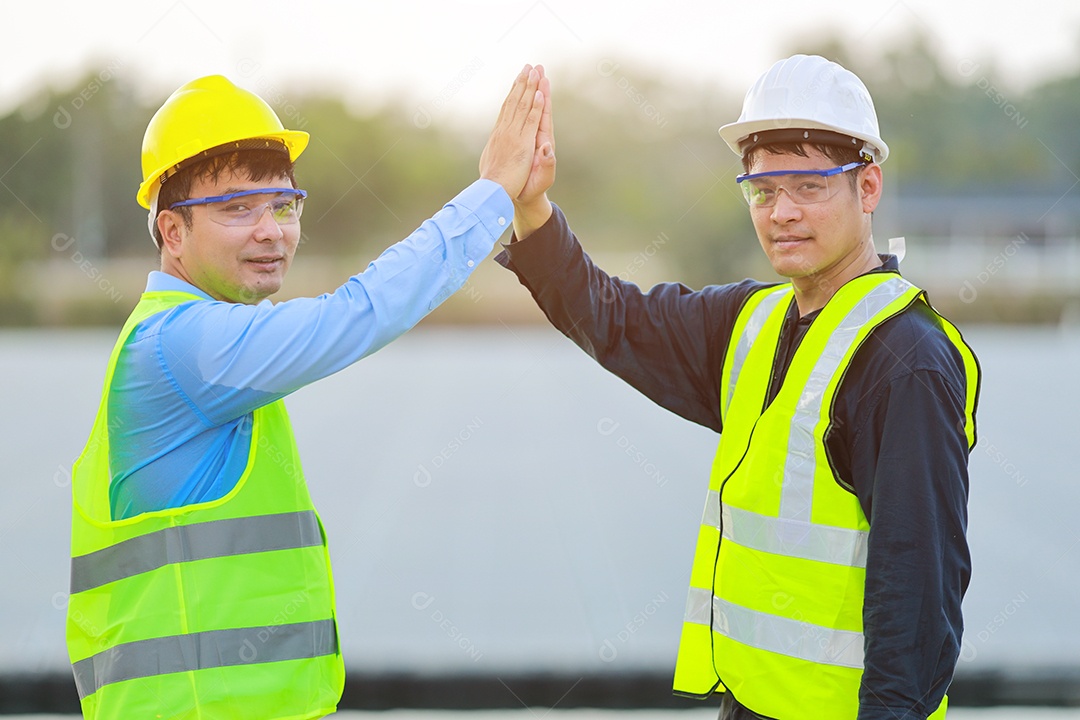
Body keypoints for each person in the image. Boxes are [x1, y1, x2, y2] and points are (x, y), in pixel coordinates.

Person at [497, 57, 980, 720]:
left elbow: (918, 598)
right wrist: (530, 205)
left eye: (808, 186)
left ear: (868, 188)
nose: (781, 212)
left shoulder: (906, 361)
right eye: (762, 189)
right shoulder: (750, 323)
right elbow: (613, 318)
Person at [64, 67, 549, 719]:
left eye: (284, 205)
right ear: (172, 233)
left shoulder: (200, 341)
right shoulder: (182, 346)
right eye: (238, 208)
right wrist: (492, 193)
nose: (272, 230)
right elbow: (357, 314)